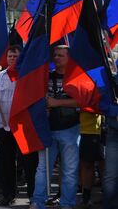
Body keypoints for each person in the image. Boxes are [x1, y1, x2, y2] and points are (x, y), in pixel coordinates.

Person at [31, 45, 79, 209]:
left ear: (69, 58)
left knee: (70, 170)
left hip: (70, 129)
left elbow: (83, 101)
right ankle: (38, 201)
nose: (56, 58)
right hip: (47, 129)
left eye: (61, 55)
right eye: (55, 55)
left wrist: (57, 102)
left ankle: (67, 203)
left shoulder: (76, 78)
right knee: (43, 169)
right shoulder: (45, 77)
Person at [0, 45, 38, 206]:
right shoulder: (0, 77)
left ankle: (33, 196)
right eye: (10, 56)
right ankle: (8, 195)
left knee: (29, 163)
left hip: (24, 126)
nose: (12, 59)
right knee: (6, 162)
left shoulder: (27, 76)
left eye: (15, 56)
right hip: (4, 125)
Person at [78, 111, 103, 207]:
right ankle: (86, 197)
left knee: (105, 165)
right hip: (86, 129)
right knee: (87, 164)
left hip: (104, 128)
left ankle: (109, 195)